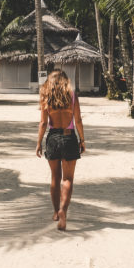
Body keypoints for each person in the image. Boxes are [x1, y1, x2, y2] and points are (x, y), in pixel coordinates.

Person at [36, 69, 85, 231]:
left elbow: (43, 123)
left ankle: (56, 212)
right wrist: (82, 139)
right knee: (68, 179)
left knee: (55, 178)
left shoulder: (45, 96)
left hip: (53, 138)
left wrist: (38, 143)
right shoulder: (72, 95)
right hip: (69, 136)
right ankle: (64, 210)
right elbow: (77, 119)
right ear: (65, 81)